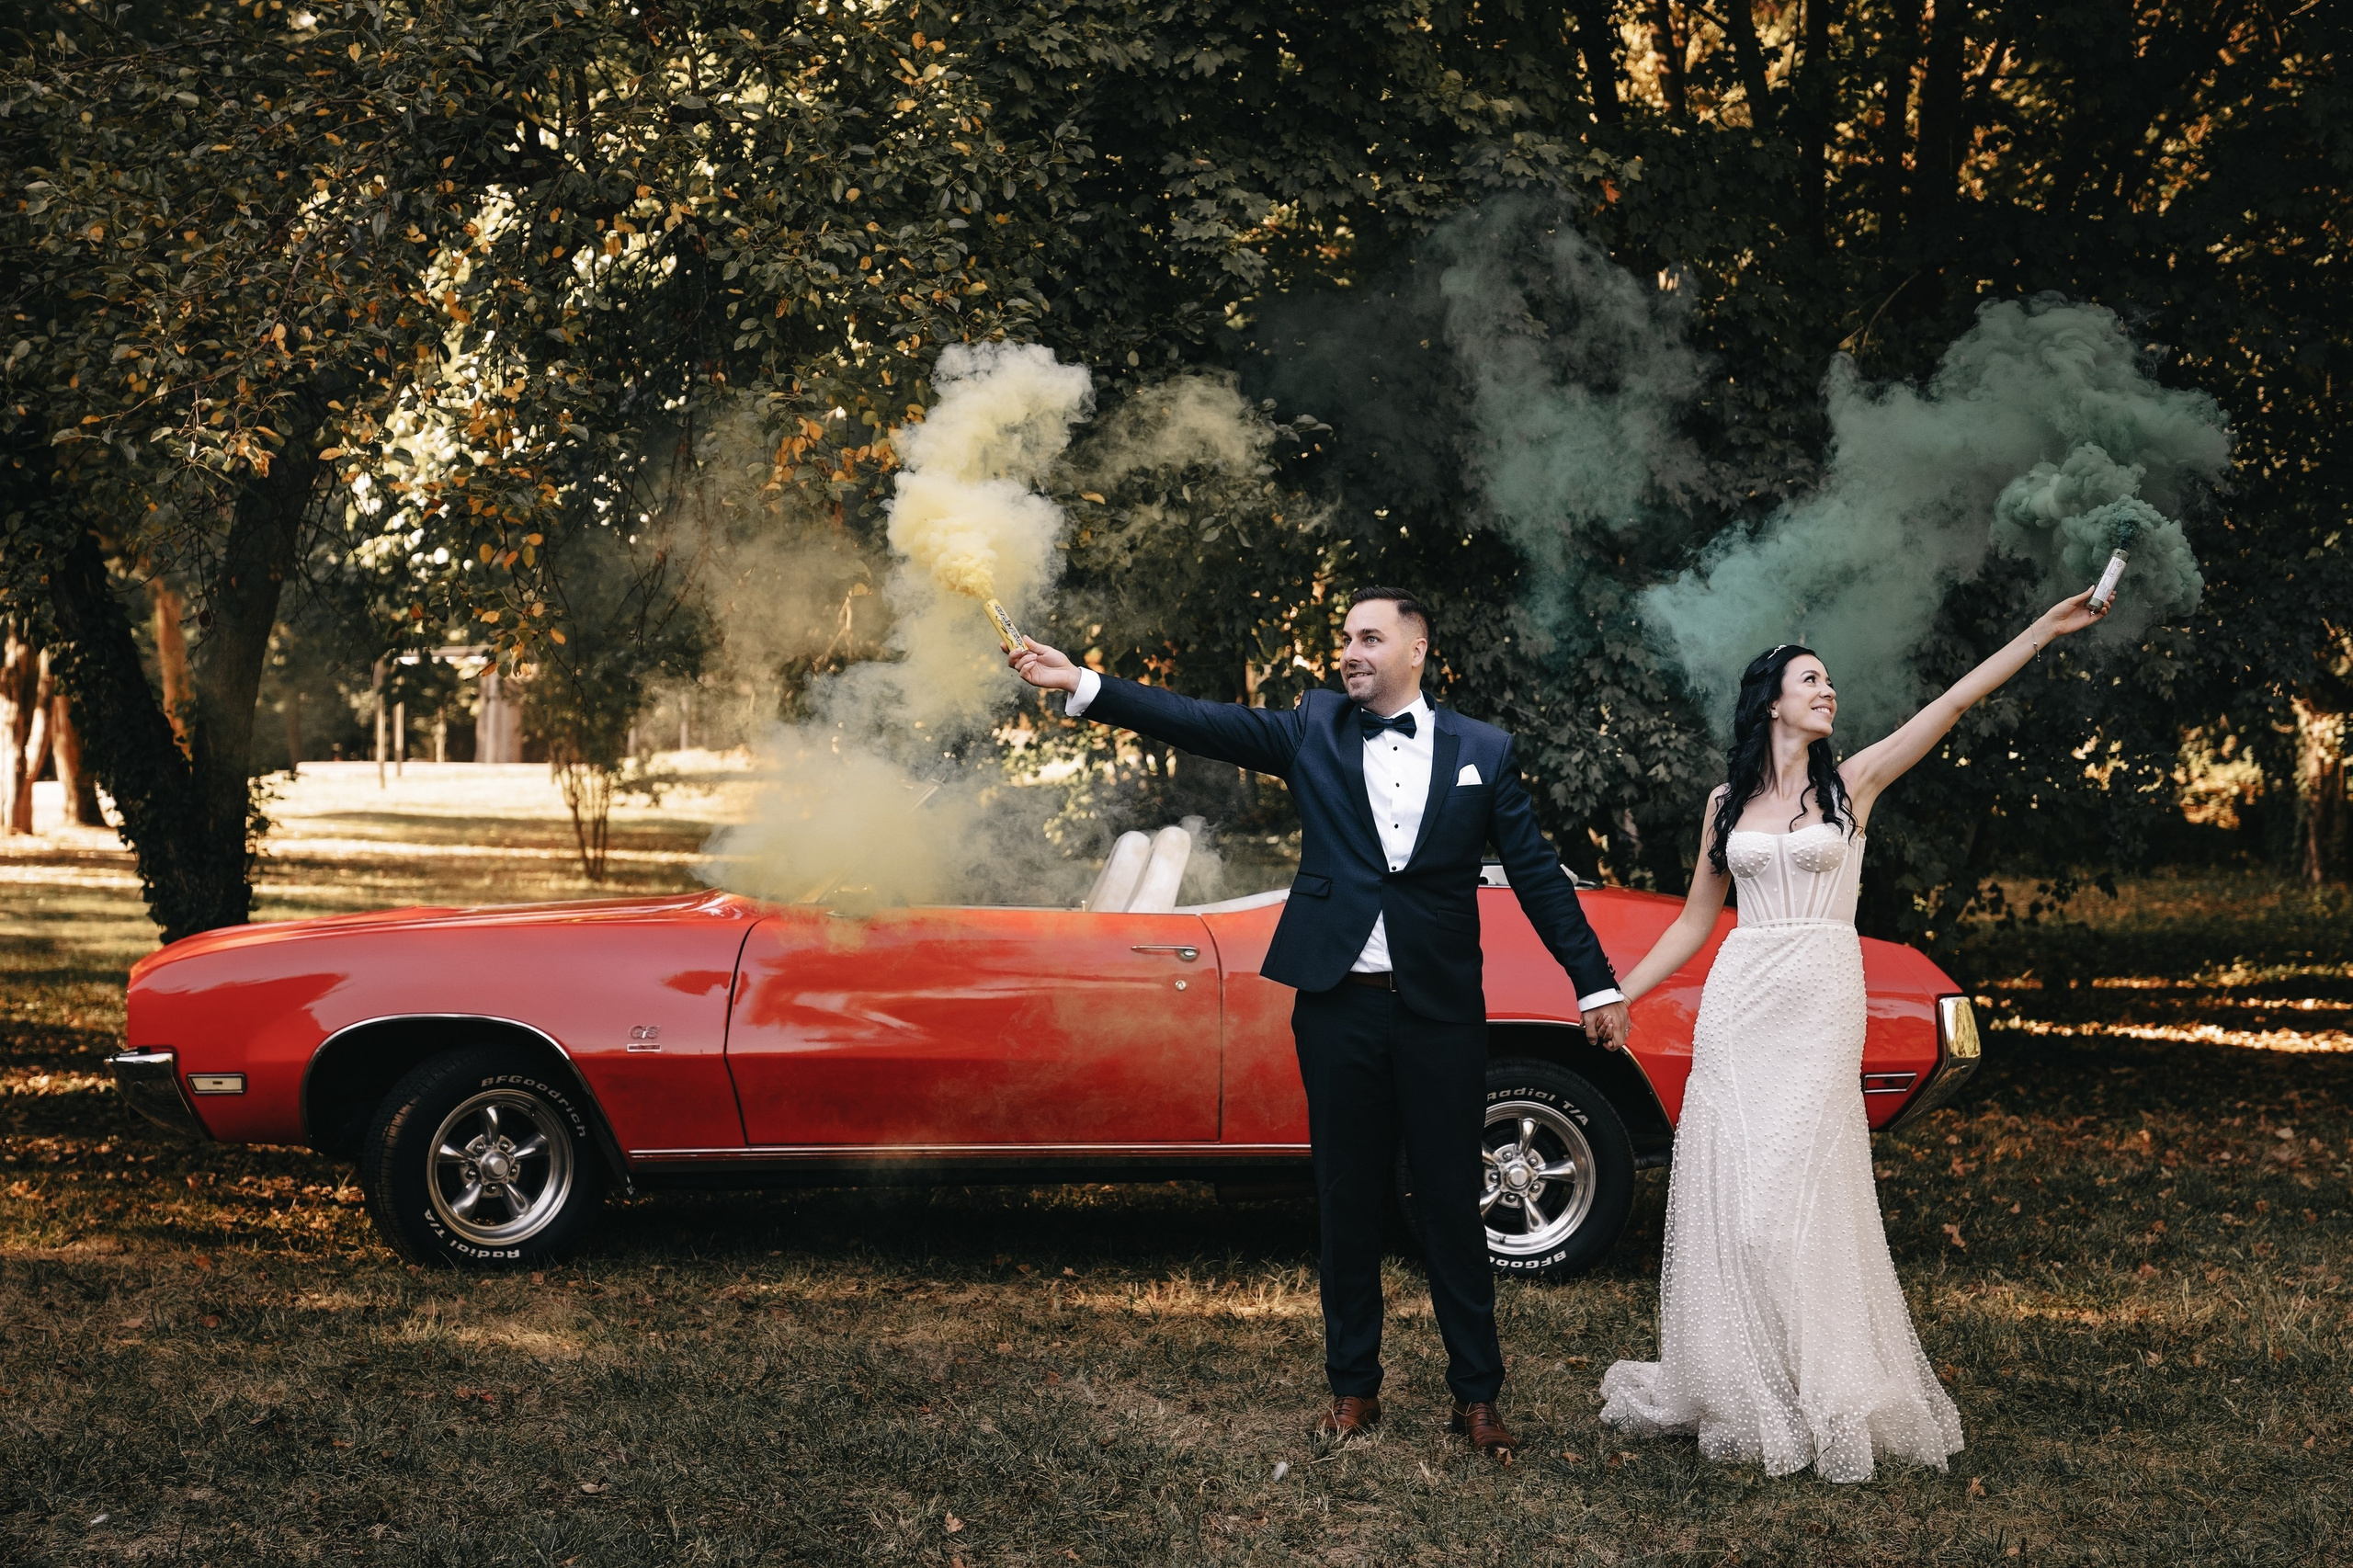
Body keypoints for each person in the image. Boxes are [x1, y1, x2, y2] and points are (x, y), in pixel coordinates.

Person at [1009, 586, 1631, 1457]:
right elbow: (1199, 720)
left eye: (1370, 639)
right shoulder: (1314, 727)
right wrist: (1086, 682)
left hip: (1440, 1014)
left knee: (1452, 1201)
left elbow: (1535, 875)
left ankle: (1478, 1398)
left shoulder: (1482, 752)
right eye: (1346, 639)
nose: (1351, 652)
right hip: (1337, 1007)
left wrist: (1594, 984)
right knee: (1346, 1199)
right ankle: (1353, 1388)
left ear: (1418, 651)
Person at [1597, 587, 2109, 1481]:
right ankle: (1750, 1377)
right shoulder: (1725, 802)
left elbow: (1951, 705)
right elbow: (1691, 922)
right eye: (1811, 679)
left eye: (1829, 681)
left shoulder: (1854, 781)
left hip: (1820, 998)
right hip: (1740, 999)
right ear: (1771, 700)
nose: (1827, 692)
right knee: (1737, 1201)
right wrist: (1619, 991)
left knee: (1789, 1205)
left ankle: (1830, 1387)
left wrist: (2039, 629)